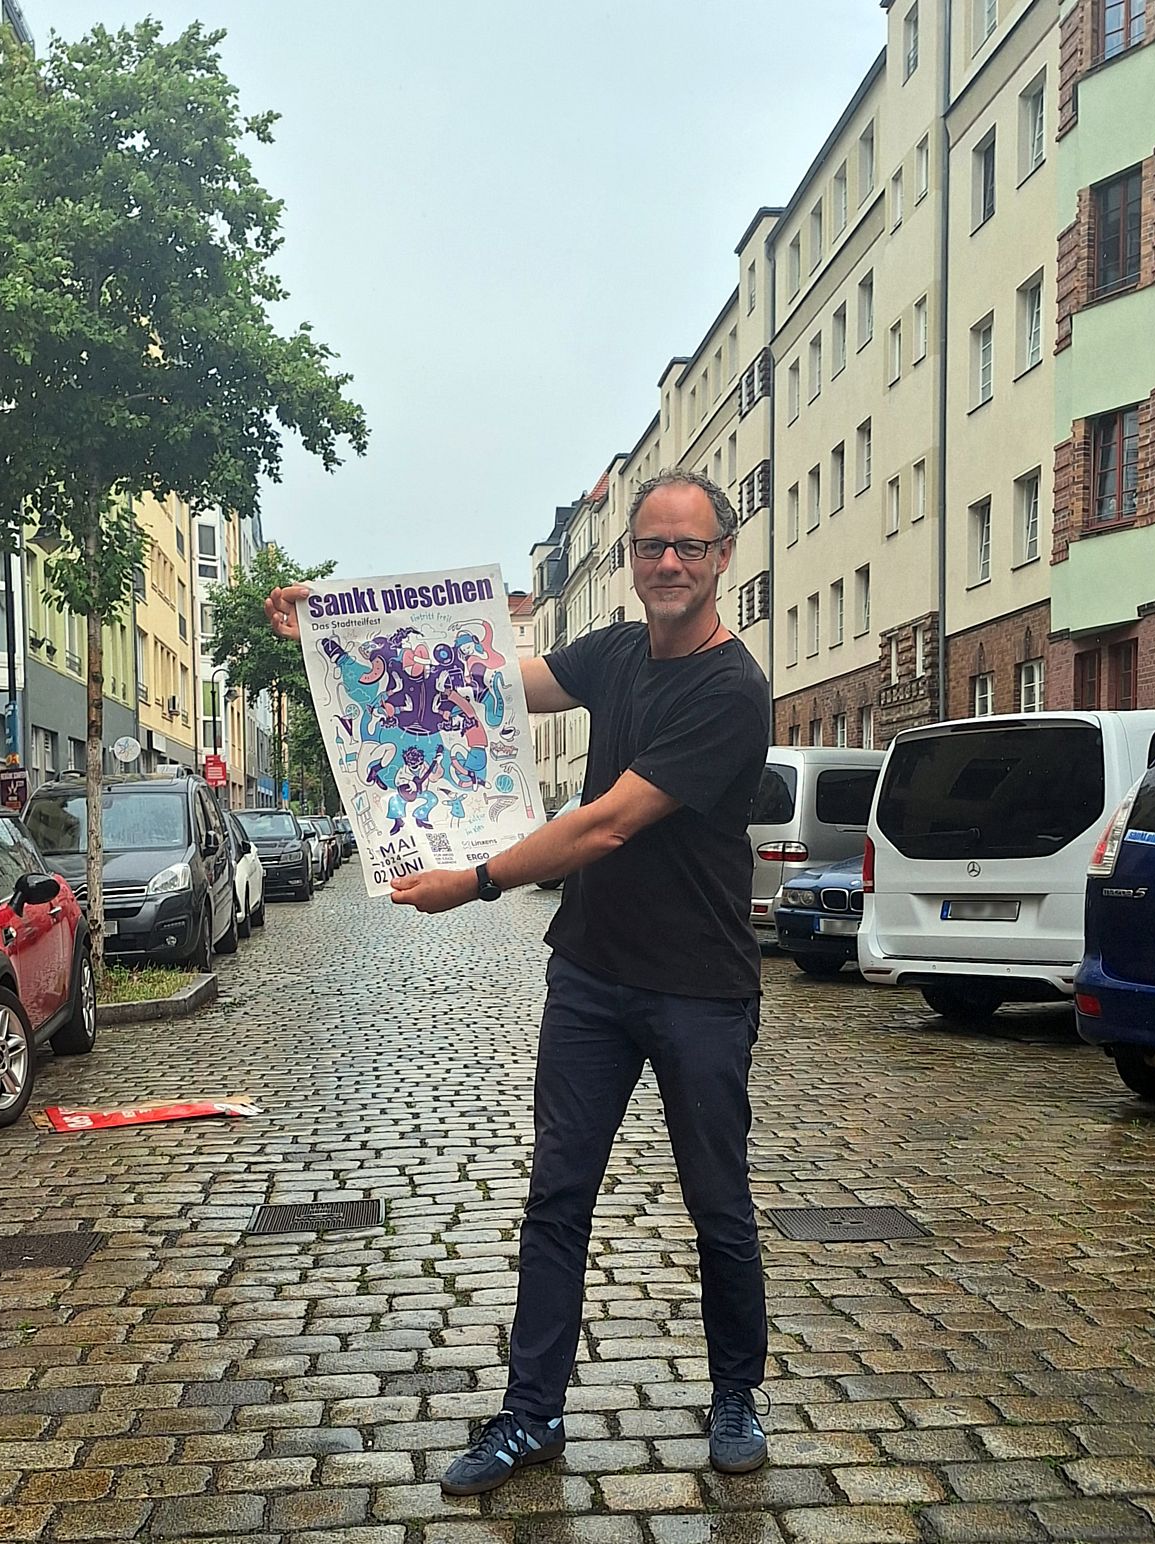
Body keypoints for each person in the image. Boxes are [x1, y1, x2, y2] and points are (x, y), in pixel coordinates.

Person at [264, 468, 773, 1497]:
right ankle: (529, 1414)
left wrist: (478, 881)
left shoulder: (730, 688)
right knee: (555, 1198)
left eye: (688, 546)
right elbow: (496, 677)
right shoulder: (618, 652)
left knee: (716, 1200)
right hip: (591, 971)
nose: (667, 563)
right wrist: (331, 632)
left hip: (698, 986)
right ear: (629, 558)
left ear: (722, 555)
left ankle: (732, 1393)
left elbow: (606, 822)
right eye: (649, 546)